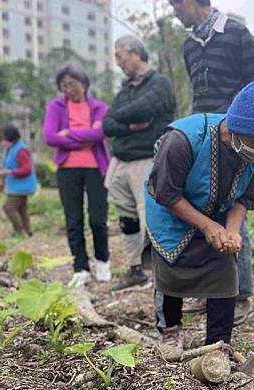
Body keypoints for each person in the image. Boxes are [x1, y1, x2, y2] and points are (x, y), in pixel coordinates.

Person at [145, 80, 254, 350]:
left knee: (224, 269)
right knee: (171, 273)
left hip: (218, 209)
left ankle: (219, 343)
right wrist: (207, 226)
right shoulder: (183, 140)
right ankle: (170, 328)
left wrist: (231, 231)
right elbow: (167, 193)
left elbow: (244, 199)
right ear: (234, 128)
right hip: (171, 210)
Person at [169, 0, 254, 323]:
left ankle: (240, 293)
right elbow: (197, 92)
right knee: (206, 209)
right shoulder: (189, 45)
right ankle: (213, 287)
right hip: (205, 136)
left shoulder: (237, 34)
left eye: (175, 4)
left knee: (235, 208)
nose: (174, 11)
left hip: (236, 137)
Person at [103, 35, 176, 291]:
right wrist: (129, 124)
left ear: (135, 53)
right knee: (126, 214)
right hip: (121, 160)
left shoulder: (160, 83)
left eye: (119, 56)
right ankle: (135, 268)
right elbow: (107, 124)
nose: (118, 62)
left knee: (150, 216)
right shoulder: (125, 89)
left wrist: (120, 119)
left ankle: (161, 272)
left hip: (147, 158)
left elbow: (140, 110)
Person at [43, 64, 112, 288]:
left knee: (97, 219)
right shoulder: (56, 107)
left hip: (96, 168)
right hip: (67, 170)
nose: (67, 89)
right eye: (63, 85)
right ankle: (80, 267)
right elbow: (49, 137)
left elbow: (100, 133)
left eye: (72, 84)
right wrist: (84, 137)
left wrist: (68, 134)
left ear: (84, 83)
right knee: (73, 221)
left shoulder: (99, 107)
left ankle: (102, 260)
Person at [0, 125, 38, 237]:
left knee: (9, 207)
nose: (2, 140)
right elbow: (6, 165)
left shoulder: (21, 150)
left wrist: (9, 172)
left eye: (3, 137)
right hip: (15, 186)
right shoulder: (8, 149)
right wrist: (2, 181)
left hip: (22, 186)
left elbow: (27, 169)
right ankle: (28, 231)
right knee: (21, 209)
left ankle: (19, 231)